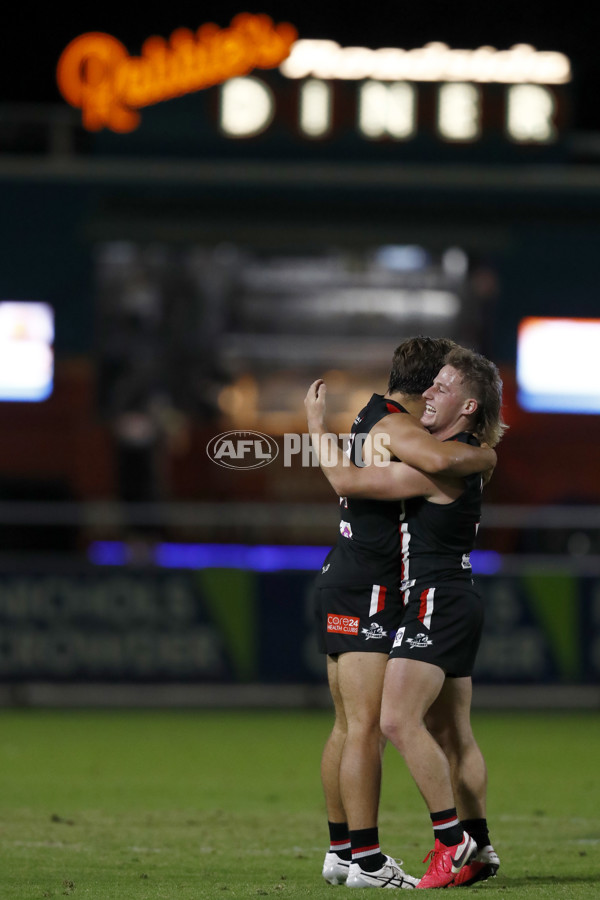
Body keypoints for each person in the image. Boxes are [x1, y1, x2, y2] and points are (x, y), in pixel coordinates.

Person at [305, 346, 506, 889]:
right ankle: (439, 846)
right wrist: (487, 454)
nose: (436, 395)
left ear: (466, 405)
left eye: (448, 387)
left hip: (423, 597)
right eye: (435, 385)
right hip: (392, 590)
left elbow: (403, 472)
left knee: (371, 724)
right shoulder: (401, 431)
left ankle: (361, 854)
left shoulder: (386, 424)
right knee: (395, 726)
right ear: (420, 392)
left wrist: (316, 428)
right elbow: (362, 480)